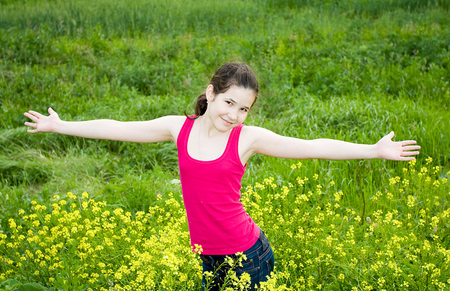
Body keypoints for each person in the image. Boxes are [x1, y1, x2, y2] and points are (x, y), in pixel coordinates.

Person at [24, 62, 420, 290]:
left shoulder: (247, 140)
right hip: (207, 256)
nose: (234, 114)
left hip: (248, 255)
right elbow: (120, 126)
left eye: (243, 109)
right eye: (229, 102)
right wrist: (62, 126)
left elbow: (313, 144)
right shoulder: (178, 128)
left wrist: (373, 150)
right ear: (211, 93)